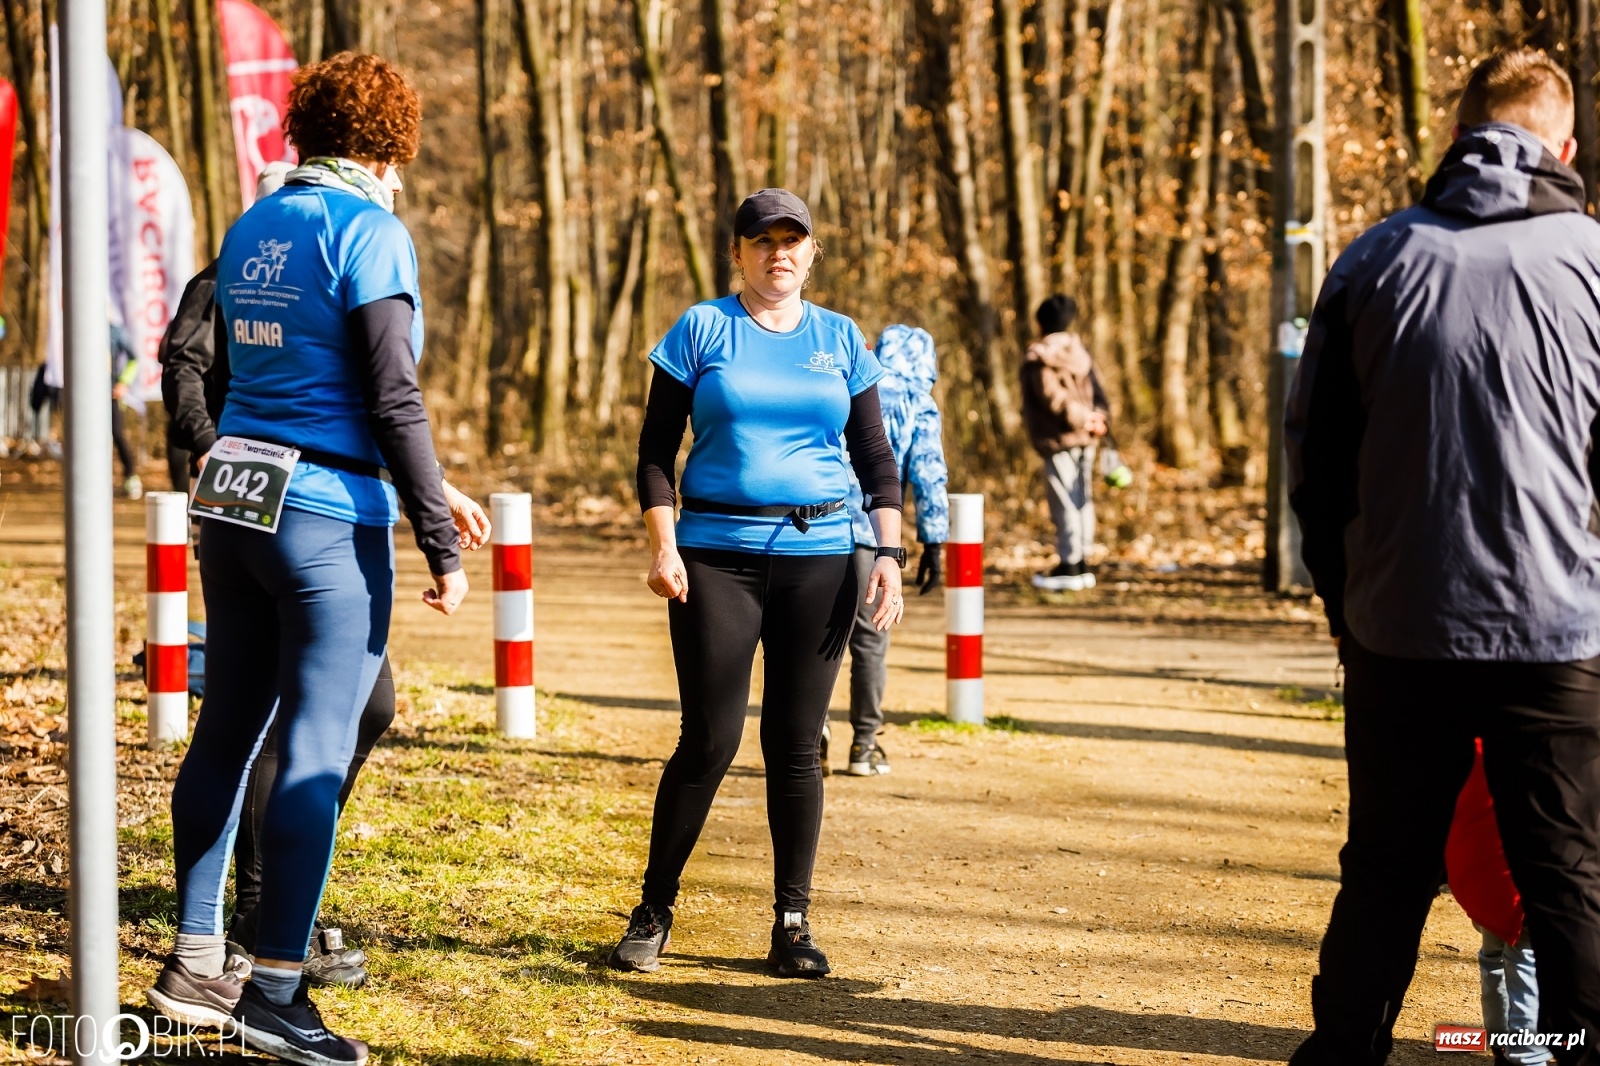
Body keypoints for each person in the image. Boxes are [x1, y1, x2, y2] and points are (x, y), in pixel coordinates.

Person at [146, 53, 466, 1066]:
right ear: (388, 139)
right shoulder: (372, 232)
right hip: (327, 514)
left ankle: (197, 961)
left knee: (228, 726)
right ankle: (276, 988)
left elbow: (273, 373)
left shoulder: (255, 225)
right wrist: (440, 537)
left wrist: (433, 484)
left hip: (236, 491)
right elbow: (391, 394)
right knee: (318, 747)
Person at [1287, 48, 1600, 1064]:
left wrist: (1351, 607)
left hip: (1401, 628)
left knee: (1382, 873)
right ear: (1564, 145)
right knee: (1568, 880)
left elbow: (1316, 464)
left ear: (1457, 138)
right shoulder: (1593, 264)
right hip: (1559, 631)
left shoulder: (1373, 260)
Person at [613, 187, 905, 978]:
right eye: (763, 239)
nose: (779, 252)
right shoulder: (702, 328)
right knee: (710, 737)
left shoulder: (841, 339)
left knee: (796, 746)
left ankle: (792, 921)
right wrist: (662, 546)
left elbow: (876, 459)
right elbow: (653, 451)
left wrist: (888, 554)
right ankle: (653, 908)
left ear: (813, 253)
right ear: (737, 251)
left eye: (793, 240)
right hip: (713, 555)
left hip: (821, 558)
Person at [828, 323, 948, 777]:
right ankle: (864, 745)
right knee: (870, 641)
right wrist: (933, 541)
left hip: (819, 528)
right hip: (876, 536)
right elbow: (929, 475)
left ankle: (813, 732)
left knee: (817, 637)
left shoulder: (849, 381)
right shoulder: (920, 403)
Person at [1445, 742, 1550, 1066]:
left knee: (1493, 954)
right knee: (1525, 960)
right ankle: (1526, 1055)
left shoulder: (1475, 744)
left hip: (1480, 880)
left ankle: (1500, 1039)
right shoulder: (1550, 748)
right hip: (1521, 883)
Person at [1021, 295, 1109, 592]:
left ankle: (1070, 565)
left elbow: (1052, 399)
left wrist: (1082, 419)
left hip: (1059, 438)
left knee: (1065, 501)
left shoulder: (1039, 356)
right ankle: (1082, 561)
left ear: (1041, 323)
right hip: (1088, 437)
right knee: (1082, 497)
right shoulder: (1080, 352)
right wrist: (1097, 418)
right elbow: (1100, 391)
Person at [110, 323, 142, 499]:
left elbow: (134, 359)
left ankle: (131, 477)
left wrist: (123, 382)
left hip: (111, 395)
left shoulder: (115, 331)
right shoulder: (78, 327)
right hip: (86, 397)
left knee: (118, 434)